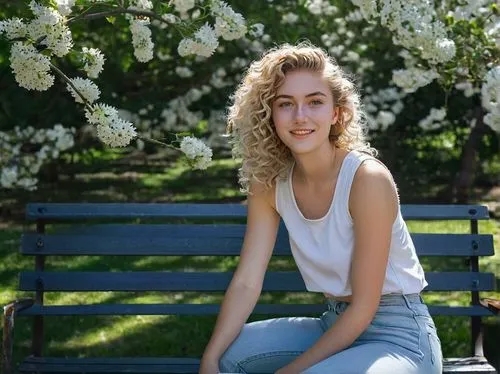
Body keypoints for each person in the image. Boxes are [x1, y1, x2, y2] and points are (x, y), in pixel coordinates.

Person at [199, 42, 442, 374]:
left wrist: (290, 371)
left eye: (315, 102)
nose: (300, 116)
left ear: (336, 112)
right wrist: (209, 359)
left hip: (399, 337)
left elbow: (364, 308)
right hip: (334, 323)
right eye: (286, 104)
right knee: (230, 357)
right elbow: (246, 282)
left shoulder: (366, 179)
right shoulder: (268, 183)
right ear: (269, 114)